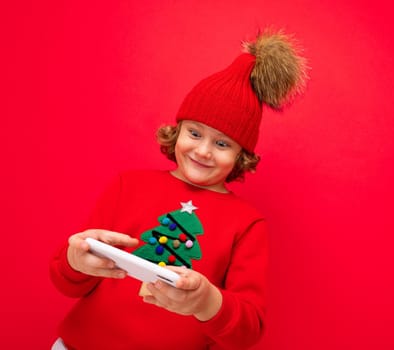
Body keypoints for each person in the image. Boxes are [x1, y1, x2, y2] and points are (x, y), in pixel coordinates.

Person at [49, 28, 308, 350]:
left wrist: (206, 301)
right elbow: (67, 282)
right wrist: (75, 260)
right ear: (178, 130)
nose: (202, 151)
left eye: (223, 143)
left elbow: (248, 330)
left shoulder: (247, 224)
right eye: (195, 133)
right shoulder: (127, 185)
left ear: (242, 155)